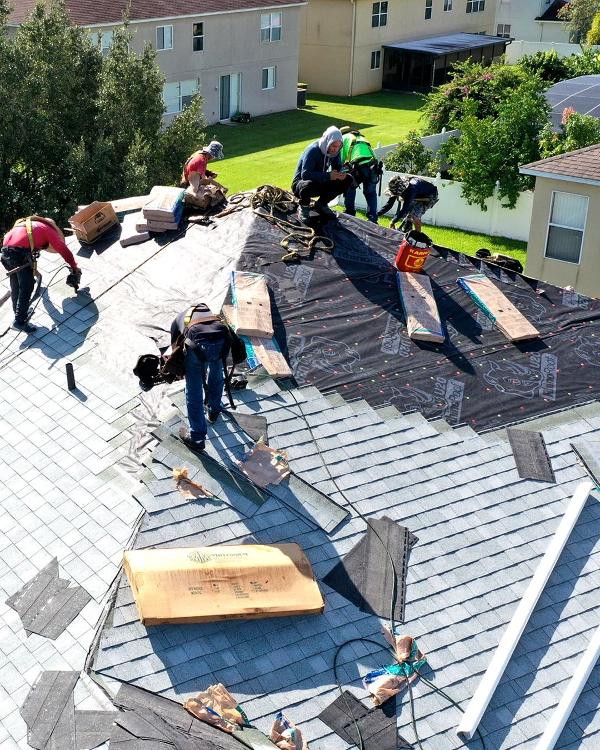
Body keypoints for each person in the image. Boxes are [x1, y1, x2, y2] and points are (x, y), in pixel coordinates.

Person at [171, 303, 244, 452]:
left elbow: (175, 352)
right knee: (216, 372)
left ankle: (197, 437)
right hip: (220, 341)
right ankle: (214, 410)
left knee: (194, 390)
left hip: (196, 345)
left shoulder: (177, 322)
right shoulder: (214, 318)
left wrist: (183, 370)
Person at [1, 216, 81, 333]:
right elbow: (63, 249)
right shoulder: (47, 229)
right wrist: (74, 266)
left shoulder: (27, 226)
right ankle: (19, 321)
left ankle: (18, 313)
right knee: (27, 285)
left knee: (16, 285)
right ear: (53, 226)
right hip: (18, 254)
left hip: (5, 252)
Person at [292, 126, 353, 222]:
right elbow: (305, 175)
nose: (335, 149)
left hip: (319, 181)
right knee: (308, 184)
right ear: (327, 141)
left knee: (348, 179)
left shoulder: (336, 152)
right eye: (333, 146)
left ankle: (321, 204)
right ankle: (304, 206)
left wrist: (342, 173)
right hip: (300, 185)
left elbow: (337, 168)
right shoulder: (313, 150)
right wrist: (329, 176)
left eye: (338, 147)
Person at [340, 127, 382, 224]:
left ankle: (350, 213)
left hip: (359, 165)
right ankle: (373, 218)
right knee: (370, 193)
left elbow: (341, 160)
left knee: (349, 187)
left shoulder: (344, 138)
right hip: (373, 165)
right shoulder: (362, 138)